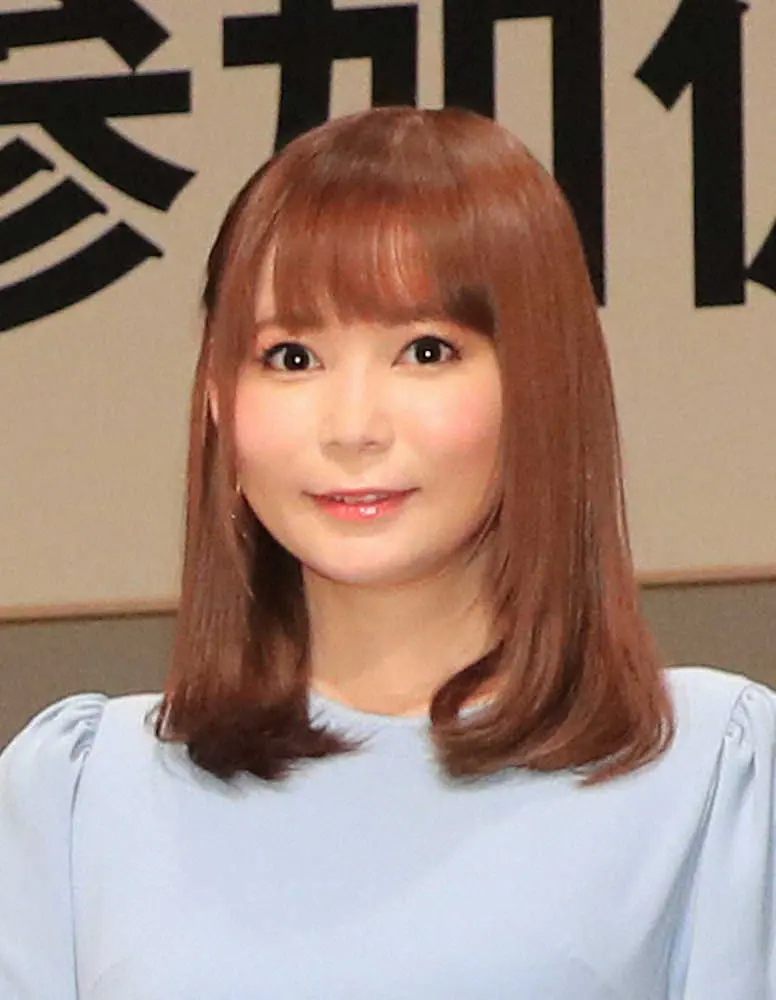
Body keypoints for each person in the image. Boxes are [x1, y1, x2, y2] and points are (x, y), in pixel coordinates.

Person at [0, 105, 773, 999]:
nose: (353, 426)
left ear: (541, 381)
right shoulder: (80, 792)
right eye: (291, 357)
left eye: (425, 350)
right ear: (217, 395)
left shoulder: (707, 770)